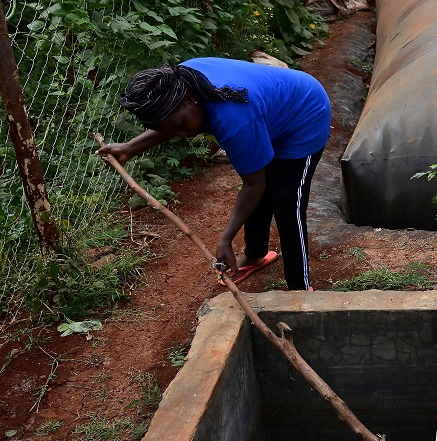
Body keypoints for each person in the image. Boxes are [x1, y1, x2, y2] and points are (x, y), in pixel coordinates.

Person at [97, 58, 332, 290]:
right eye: (171, 130)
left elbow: (253, 185)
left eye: (181, 125)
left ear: (190, 99)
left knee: (286, 200)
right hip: (268, 115)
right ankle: (254, 255)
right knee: (263, 187)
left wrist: (225, 239)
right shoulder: (181, 84)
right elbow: (172, 122)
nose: (182, 135)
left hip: (305, 115)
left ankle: (300, 287)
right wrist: (131, 147)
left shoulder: (233, 119)